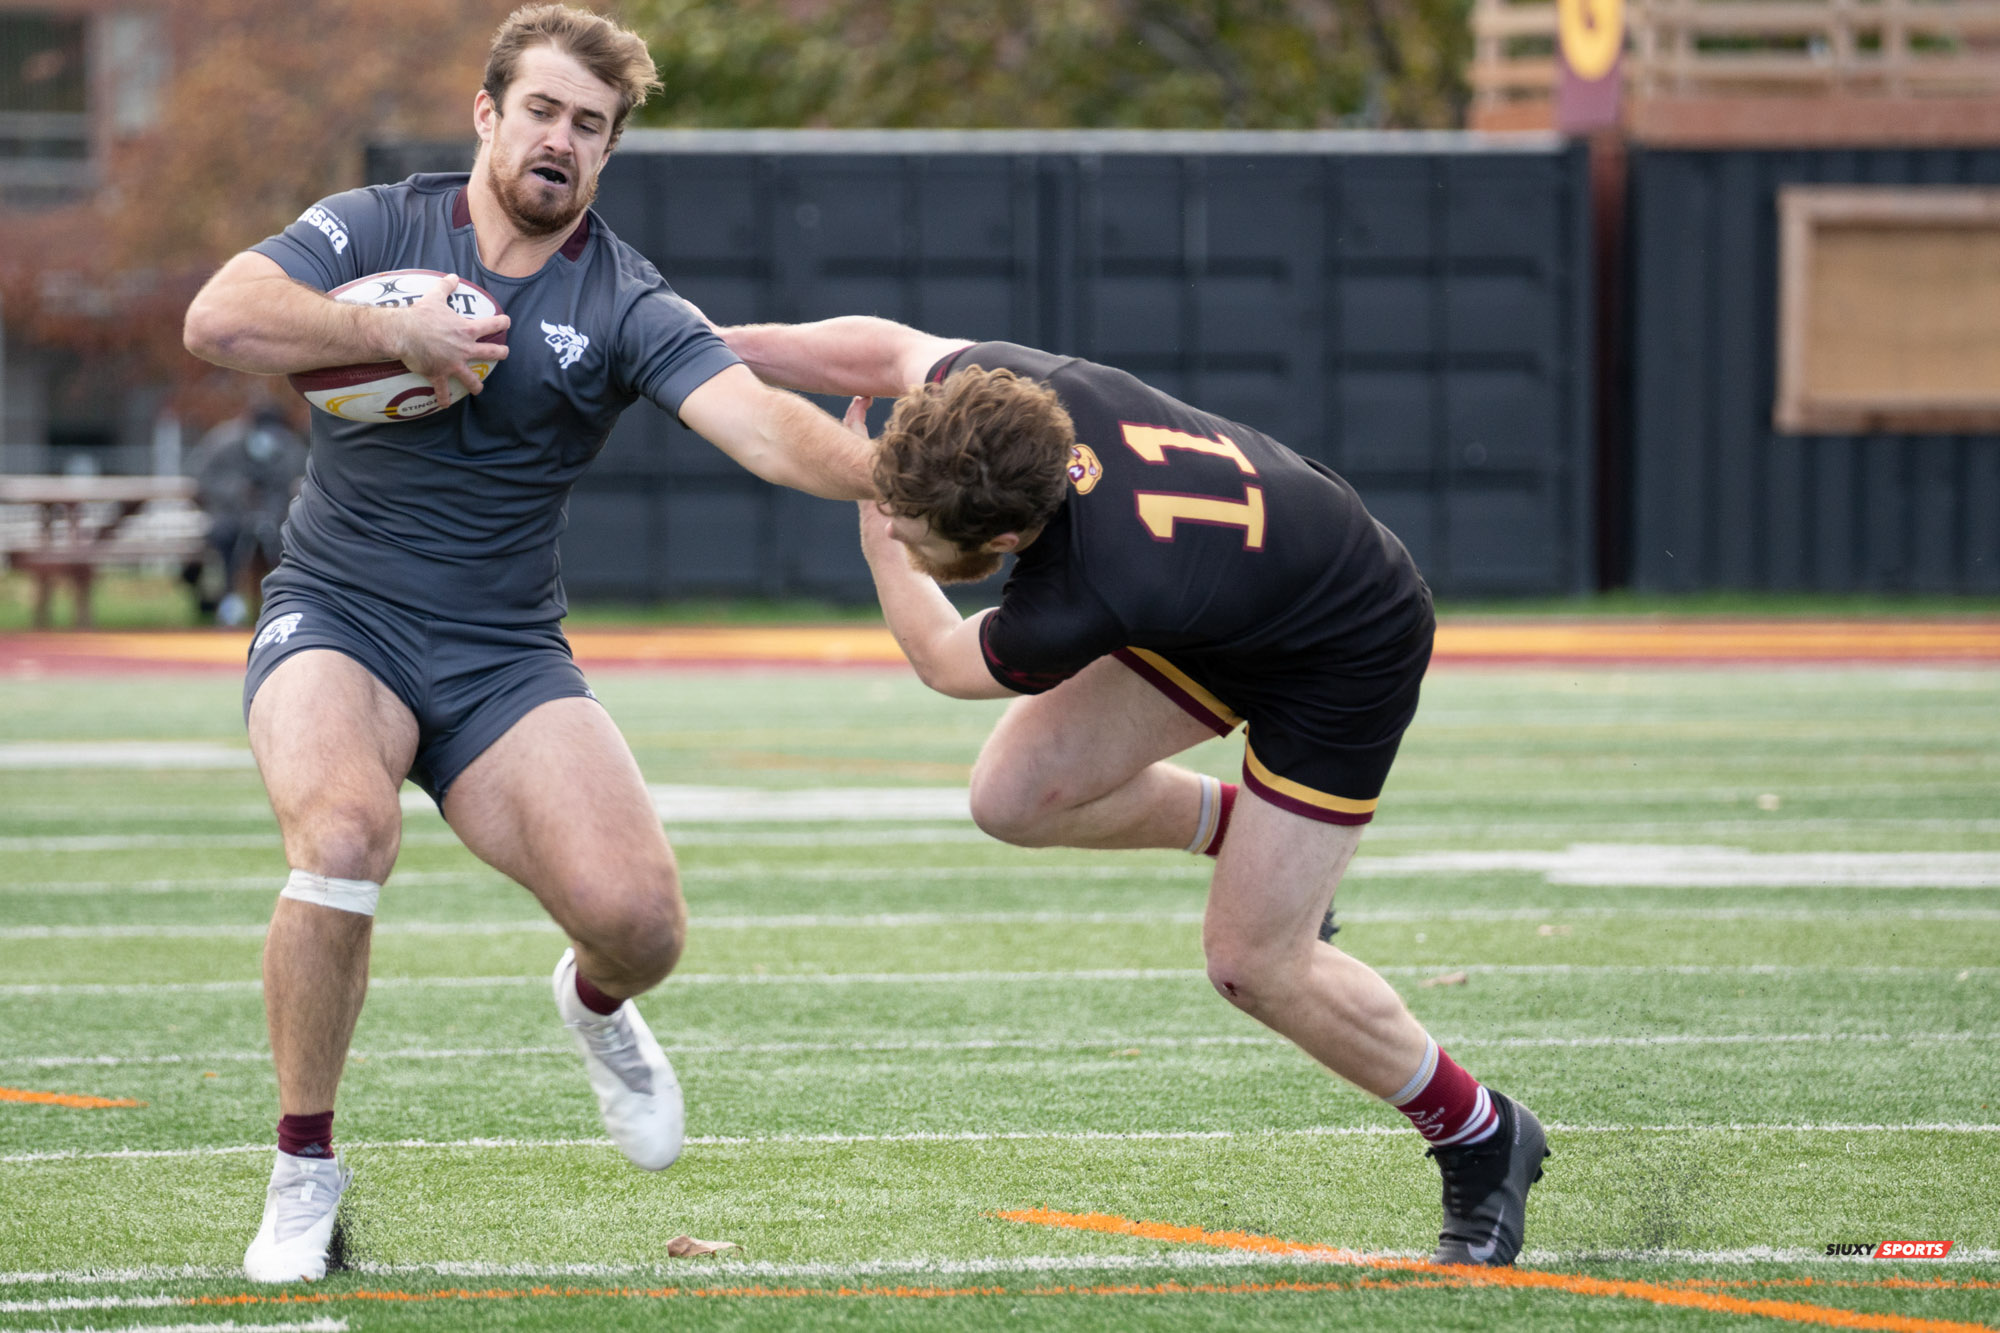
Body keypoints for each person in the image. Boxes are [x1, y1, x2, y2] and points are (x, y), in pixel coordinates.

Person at [181, 5, 875, 1283]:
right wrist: (394, 331)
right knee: (340, 836)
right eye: (544, 110)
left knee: (643, 924)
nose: (562, 140)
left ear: (607, 155)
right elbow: (220, 318)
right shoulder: (381, 225)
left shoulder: (621, 295)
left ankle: (595, 1004)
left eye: (591, 127)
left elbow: (763, 427)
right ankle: (303, 1171)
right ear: (490, 114)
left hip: (502, 652)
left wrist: (895, 478)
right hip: (337, 609)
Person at [719, 317, 1551, 1267]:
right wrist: (712, 346)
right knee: (1014, 795)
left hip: (1343, 640)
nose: (895, 523)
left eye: (913, 528)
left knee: (1252, 962)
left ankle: (1480, 1133)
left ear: (1001, 538)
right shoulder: (1008, 390)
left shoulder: (1087, 590)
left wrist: (876, 546)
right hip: (1226, 591)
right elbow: (890, 348)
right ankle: (1260, 844)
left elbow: (946, 661)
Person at [182, 405, 309, 626]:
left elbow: (292, 481)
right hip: (228, 515)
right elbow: (201, 478)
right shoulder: (224, 442)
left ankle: (287, 603)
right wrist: (236, 490)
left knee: (288, 542)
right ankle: (227, 598)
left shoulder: (287, 446)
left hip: (272, 517)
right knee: (225, 538)